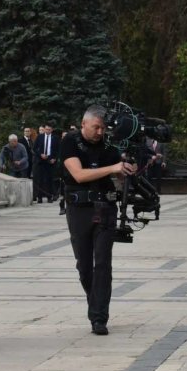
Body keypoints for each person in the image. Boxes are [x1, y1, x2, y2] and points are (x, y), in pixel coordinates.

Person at [61, 104, 136, 336]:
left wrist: (126, 170)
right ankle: (96, 304)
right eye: (96, 127)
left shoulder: (109, 149)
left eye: (103, 128)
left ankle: (99, 317)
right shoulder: (70, 142)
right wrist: (112, 168)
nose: (100, 132)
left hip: (105, 208)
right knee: (84, 266)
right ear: (84, 124)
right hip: (79, 210)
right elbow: (79, 174)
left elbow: (118, 176)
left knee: (103, 263)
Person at [33, 124, 58, 202]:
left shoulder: (55, 138)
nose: (47, 131)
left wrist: (55, 159)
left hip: (50, 161)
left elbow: (59, 150)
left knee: (49, 180)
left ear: (52, 130)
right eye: (46, 129)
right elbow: (34, 148)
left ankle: (49, 197)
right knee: (40, 179)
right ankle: (39, 197)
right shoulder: (40, 137)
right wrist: (40, 154)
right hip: (40, 161)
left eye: (49, 129)